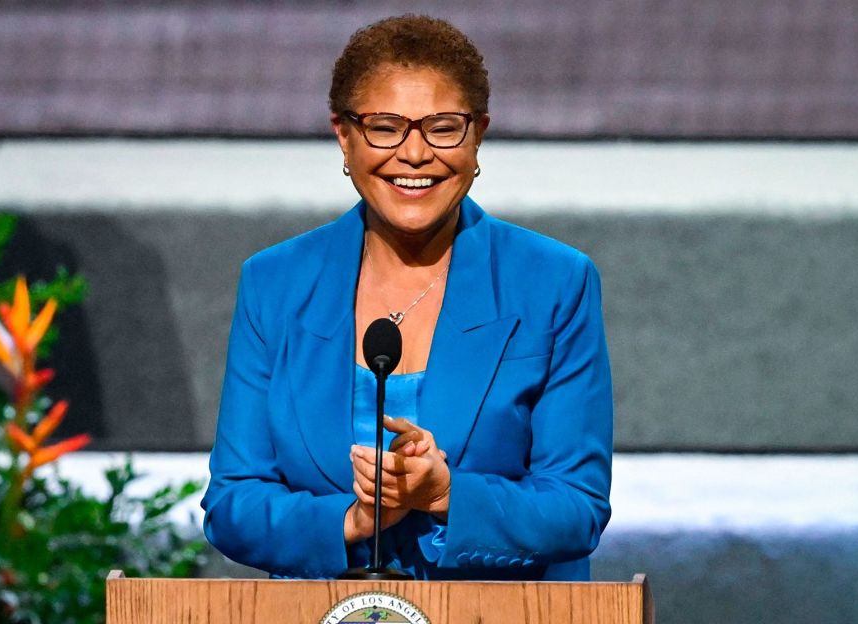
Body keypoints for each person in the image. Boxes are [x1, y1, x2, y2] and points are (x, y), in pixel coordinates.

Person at [201, 14, 613, 581]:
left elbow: (577, 507)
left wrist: (446, 496)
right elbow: (233, 504)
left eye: (443, 127)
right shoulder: (275, 284)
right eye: (385, 127)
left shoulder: (555, 283)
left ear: (477, 136)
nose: (415, 154)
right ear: (343, 135)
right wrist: (353, 519)